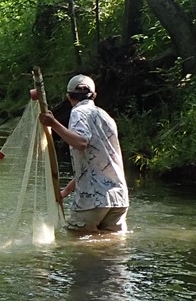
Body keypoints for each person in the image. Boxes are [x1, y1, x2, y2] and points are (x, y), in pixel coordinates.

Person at [40, 73, 129, 234]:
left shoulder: (78, 112)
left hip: (93, 200)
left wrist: (53, 124)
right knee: (111, 248)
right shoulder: (106, 116)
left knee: (77, 241)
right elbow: (95, 164)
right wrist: (65, 192)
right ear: (94, 95)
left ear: (68, 96)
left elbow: (81, 142)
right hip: (119, 198)